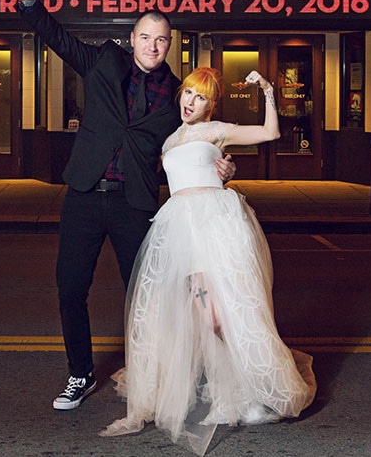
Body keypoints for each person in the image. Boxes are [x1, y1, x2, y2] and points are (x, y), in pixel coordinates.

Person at [8, 0, 236, 411]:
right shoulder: (103, 63)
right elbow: (56, 37)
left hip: (135, 204)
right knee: (70, 287)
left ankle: (160, 375)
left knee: (150, 295)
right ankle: (80, 374)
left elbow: (197, 143)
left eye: (161, 40)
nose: (153, 46)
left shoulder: (176, 96)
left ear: (170, 45)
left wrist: (222, 167)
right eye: (145, 37)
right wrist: (29, 1)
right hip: (85, 195)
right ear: (132, 39)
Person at [101, 67, 317, 455]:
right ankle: (223, 389)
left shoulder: (217, 129)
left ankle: (246, 390)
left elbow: (269, 134)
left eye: (200, 97)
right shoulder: (169, 138)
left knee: (225, 313)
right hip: (179, 228)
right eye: (187, 93)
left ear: (210, 104)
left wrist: (268, 90)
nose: (190, 102)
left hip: (216, 224)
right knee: (196, 315)